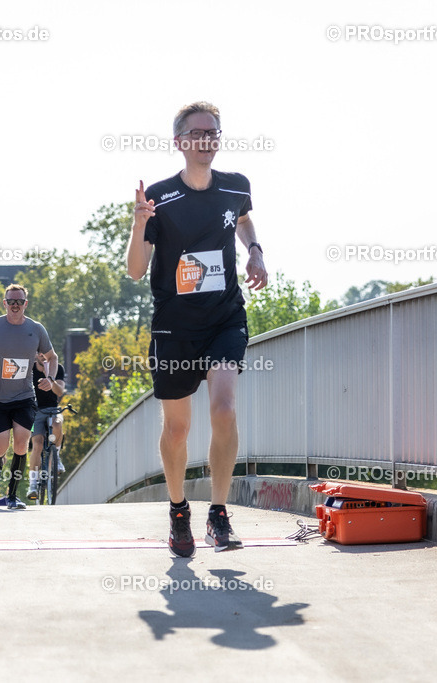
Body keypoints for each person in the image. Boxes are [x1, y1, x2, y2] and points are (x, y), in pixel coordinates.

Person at [125, 101, 269, 557]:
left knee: (224, 409)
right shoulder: (160, 198)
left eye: (214, 132)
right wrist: (138, 223)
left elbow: (243, 221)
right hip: (174, 329)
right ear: (180, 141)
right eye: (198, 133)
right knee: (177, 429)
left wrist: (256, 251)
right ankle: (178, 512)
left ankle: (219, 516)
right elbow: (134, 271)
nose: (207, 139)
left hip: (225, 318)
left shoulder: (236, 187)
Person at [0, 284, 58, 510]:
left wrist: (51, 379)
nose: (15, 305)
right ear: (4, 303)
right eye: (11, 301)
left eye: (19, 301)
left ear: (26, 304)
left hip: (25, 398)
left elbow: (52, 357)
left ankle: (13, 496)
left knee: (21, 443)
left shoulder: (36, 329)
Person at [27, 352, 67, 500]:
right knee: (37, 444)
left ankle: (56, 456)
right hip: (35, 411)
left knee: (57, 424)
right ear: (35, 354)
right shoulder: (29, 370)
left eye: (45, 352)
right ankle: (33, 484)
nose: (42, 355)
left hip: (52, 409)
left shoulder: (58, 368)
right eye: (39, 352)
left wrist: (49, 377)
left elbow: (59, 392)